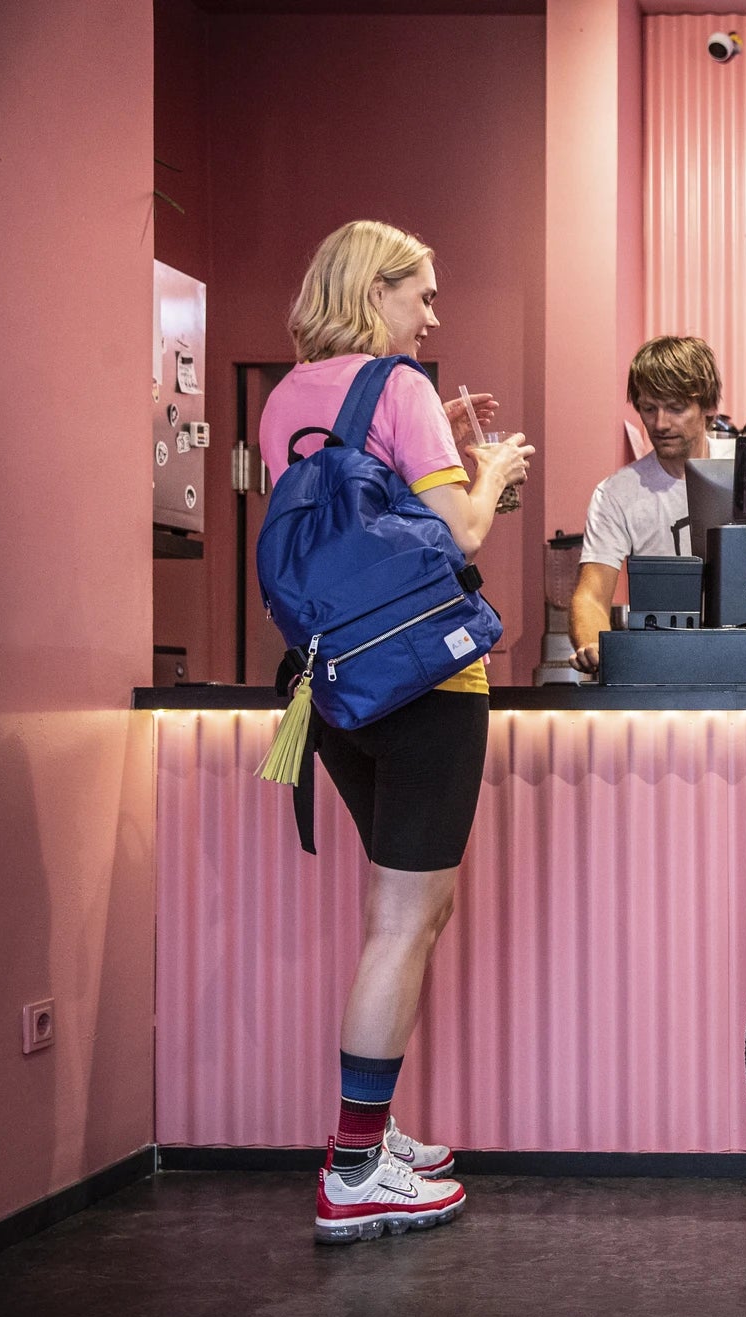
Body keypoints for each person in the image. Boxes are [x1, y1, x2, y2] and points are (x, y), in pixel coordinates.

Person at [259, 220, 531, 1243]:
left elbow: (352, 516)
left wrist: (437, 435)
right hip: (427, 686)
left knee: (402, 917)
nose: (433, 314)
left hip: (335, 694)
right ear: (376, 292)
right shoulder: (402, 388)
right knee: (401, 926)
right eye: (421, 294)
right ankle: (355, 1167)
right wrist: (491, 466)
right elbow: (457, 536)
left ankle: (373, 1134)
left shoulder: (287, 398)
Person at [567, 336, 722, 674]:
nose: (661, 424)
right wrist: (593, 645)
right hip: (659, 665)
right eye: (649, 409)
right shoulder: (616, 493)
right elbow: (591, 596)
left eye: (676, 408)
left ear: (709, 407)